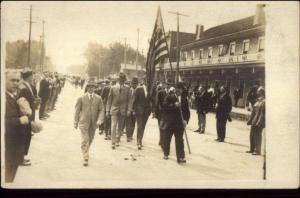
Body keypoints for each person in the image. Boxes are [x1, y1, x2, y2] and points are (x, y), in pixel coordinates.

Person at [5, 70, 29, 182]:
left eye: (17, 80)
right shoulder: (4, 97)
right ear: (4, 80)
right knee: (7, 178)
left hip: (16, 146)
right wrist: (19, 120)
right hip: (8, 147)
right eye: (12, 80)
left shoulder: (13, 96)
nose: (15, 83)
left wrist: (30, 123)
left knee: (10, 178)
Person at [74, 82, 105, 166]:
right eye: (89, 87)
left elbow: (102, 110)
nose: (91, 89)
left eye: (93, 87)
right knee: (85, 139)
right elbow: (77, 111)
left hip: (94, 123)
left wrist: (99, 120)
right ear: (87, 88)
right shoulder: (81, 98)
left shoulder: (99, 98)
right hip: (83, 122)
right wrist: (75, 122)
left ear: (94, 88)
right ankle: (85, 157)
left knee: (90, 139)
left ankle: (86, 150)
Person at [160, 84, 188, 164]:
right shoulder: (169, 97)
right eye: (178, 89)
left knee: (179, 140)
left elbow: (187, 112)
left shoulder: (184, 99)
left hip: (179, 124)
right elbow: (164, 106)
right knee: (167, 138)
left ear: (182, 90)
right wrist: (174, 105)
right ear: (175, 89)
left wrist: (186, 120)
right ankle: (166, 153)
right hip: (170, 123)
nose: (179, 90)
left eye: (181, 89)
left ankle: (180, 157)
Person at [106, 73, 131, 149]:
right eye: (120, 80)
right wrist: (107, 110)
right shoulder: (113, 88)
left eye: (123, 80)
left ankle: (117, 140)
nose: (121, 81)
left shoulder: (127, 88)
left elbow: (130, 100)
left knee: (120, 127)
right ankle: (113, 142)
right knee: (113, 126)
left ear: (124, 80)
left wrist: (129, 110)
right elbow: (109, 100)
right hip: (114, 109)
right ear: (118, 80)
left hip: (123, 110)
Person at [18, 69, 37, 166]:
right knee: (24, 136)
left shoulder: (28, 85)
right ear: (29, 77)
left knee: (27, 136)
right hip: (26, 115)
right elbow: (22, 103)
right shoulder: (22, 87)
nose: (33, 77)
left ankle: (22, 157)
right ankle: (20, 158)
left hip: (30, 114)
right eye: (32, 76)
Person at [131, 78, 151, 149]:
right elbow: (134, 100)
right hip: (139, 111)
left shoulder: (150, 89)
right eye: (145, 80)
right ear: (143, 81)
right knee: (139, 126)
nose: (146, 81)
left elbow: (152, 100)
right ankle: (138, 142)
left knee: (143, 127)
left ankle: (140, 140)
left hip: (146, 111)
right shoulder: (139, 89)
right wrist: (133, 109)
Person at [246, 86, 265, 155]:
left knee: (257, 136)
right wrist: (250, 120)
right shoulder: (257, 101)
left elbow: (262, 114)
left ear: (261, 92)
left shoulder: (264, 101)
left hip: (259, 121)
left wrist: (259, 122)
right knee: (252, 135)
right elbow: (253, 112)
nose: (257, 92)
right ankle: (252, 149)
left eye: (258, 91)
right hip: (254, 120)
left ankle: (258, 151)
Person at [155, 79, 172, 149]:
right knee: (161, 127)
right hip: (161, 113)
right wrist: (158, 111)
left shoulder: (172, 93)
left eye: (170, 85)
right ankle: (162, 141)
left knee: (166, 128)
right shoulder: (160, 92)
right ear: (165, 85)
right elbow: (157, 103)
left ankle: (163, 141)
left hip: (168, 114)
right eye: (167, 84)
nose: (168, 86)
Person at [126, 77, 138, 142]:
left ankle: (131, 135)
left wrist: (135, 110)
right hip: (128, 109)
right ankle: (128, 136)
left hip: (134, 110)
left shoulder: (138, 91)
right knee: (128, 123)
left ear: (137, 84)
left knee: (133, 123)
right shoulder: (128, 90)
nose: (133, 85)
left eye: (135, 84)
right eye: (132, 83)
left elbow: (139, 101)